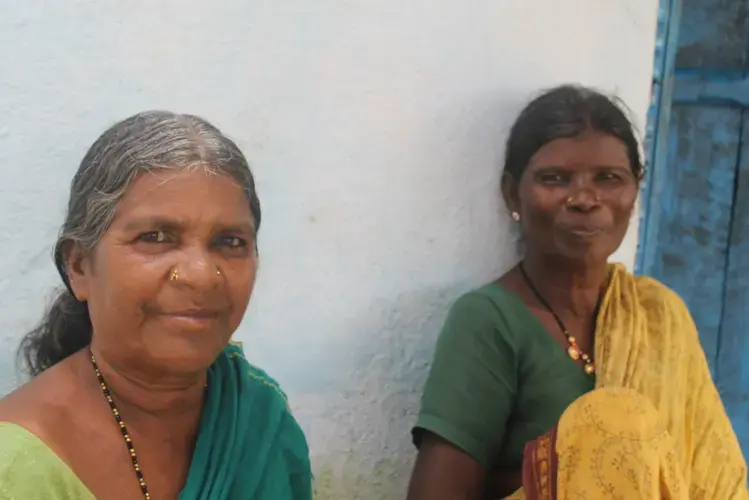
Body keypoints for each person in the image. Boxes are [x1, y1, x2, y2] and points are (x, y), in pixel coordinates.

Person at [406, 85, 749, 499]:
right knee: (617, 421)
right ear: (513, 193)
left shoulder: (660, 314)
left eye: (609, 179)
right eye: (555, 179)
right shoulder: (490, 321)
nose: (585, 199)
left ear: (635, 191)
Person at [0, 111, 314, 499]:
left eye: (229, 242)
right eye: (156, 236)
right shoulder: (16, 468)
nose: (202, 274)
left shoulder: (258, 422)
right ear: (79, 266)